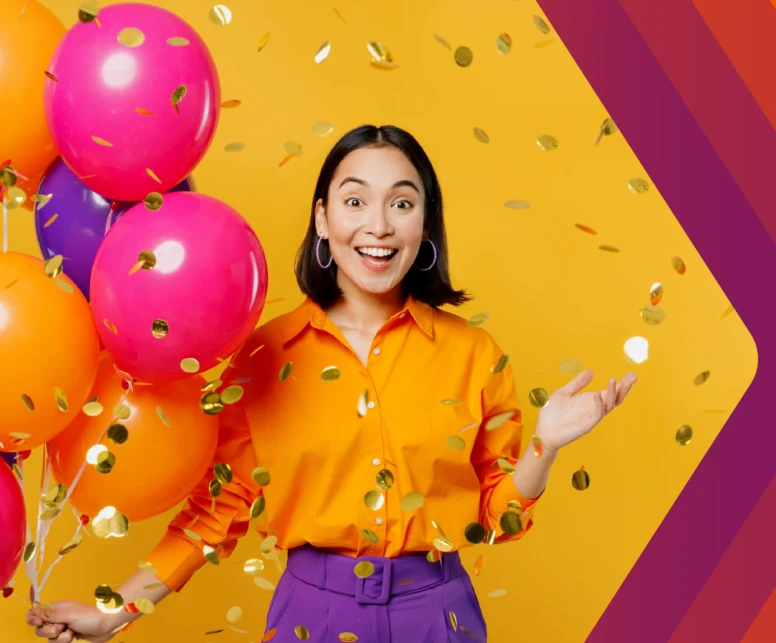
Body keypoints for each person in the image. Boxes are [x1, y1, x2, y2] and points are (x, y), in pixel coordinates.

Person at [27, 125, 637, 643]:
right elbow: (217, 514)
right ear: (322, 218)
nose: (378, 225)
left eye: (402, 203)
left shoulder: (474, 355)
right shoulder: (262, 358)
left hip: (437, 614)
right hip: (312, 615)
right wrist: (117, 612)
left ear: (426, 224)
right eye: (354, 201)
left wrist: (546, 447)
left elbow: (495, 516)